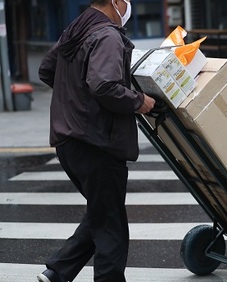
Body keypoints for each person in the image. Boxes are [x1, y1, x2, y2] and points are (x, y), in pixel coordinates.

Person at [37, 0, 155, 281]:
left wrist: (75, 99)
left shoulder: (75, 30)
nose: (128, 7)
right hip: (97, 142)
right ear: (115, 2)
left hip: (69, 142)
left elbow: (46, 70)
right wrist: (139, 101)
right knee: (111, 225)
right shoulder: (107, 35)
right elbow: (104, 85)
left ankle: (58, 271)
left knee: (103, 211)